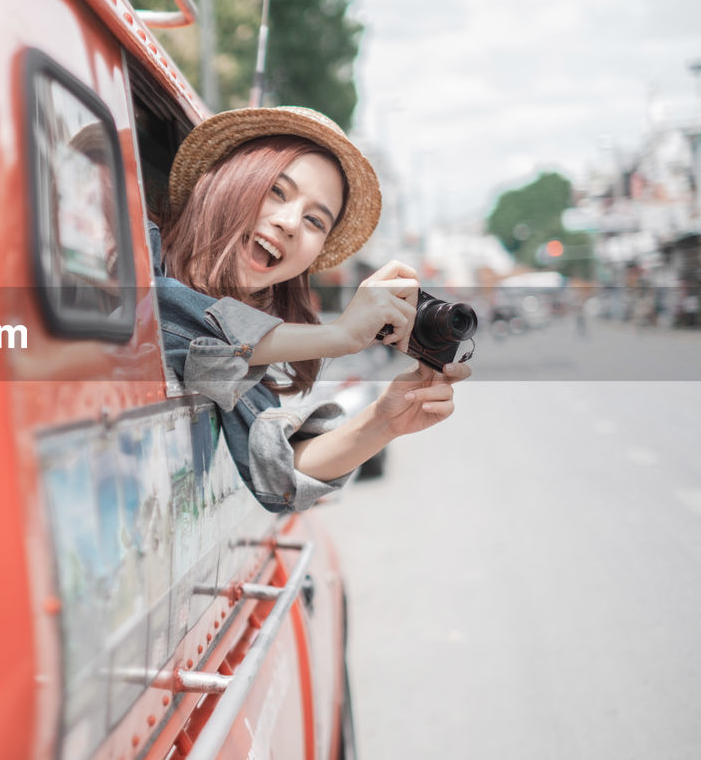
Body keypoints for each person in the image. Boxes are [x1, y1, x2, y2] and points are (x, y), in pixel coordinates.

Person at [150, 106, 471, 513]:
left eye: (316, 221)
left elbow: (275, 471)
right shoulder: (129, 242)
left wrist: (385, 422)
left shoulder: (248, 365)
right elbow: (157, 315)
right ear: (224, 182)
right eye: (277, 191)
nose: (289, 223)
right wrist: (339, 335)